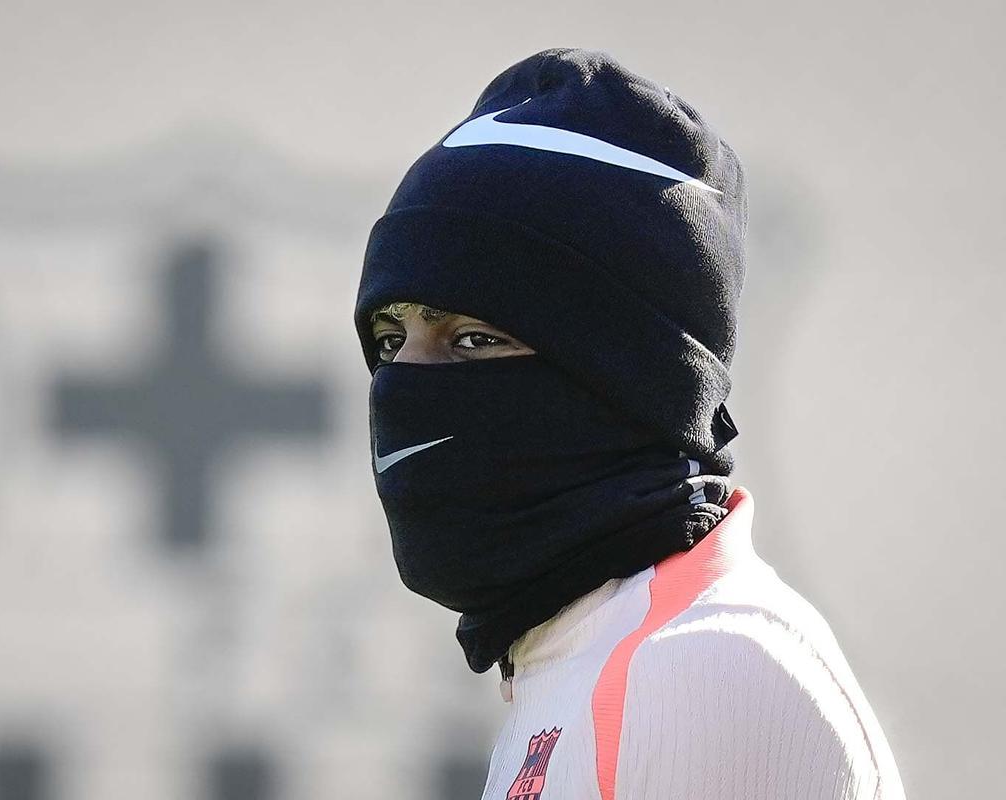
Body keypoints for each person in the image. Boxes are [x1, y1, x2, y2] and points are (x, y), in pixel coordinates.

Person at [353, 48, 906, 799]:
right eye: (391, 340)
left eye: (475, 338)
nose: (403, 386)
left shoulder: (702, 673)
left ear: (627, 378)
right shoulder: (583, 653)